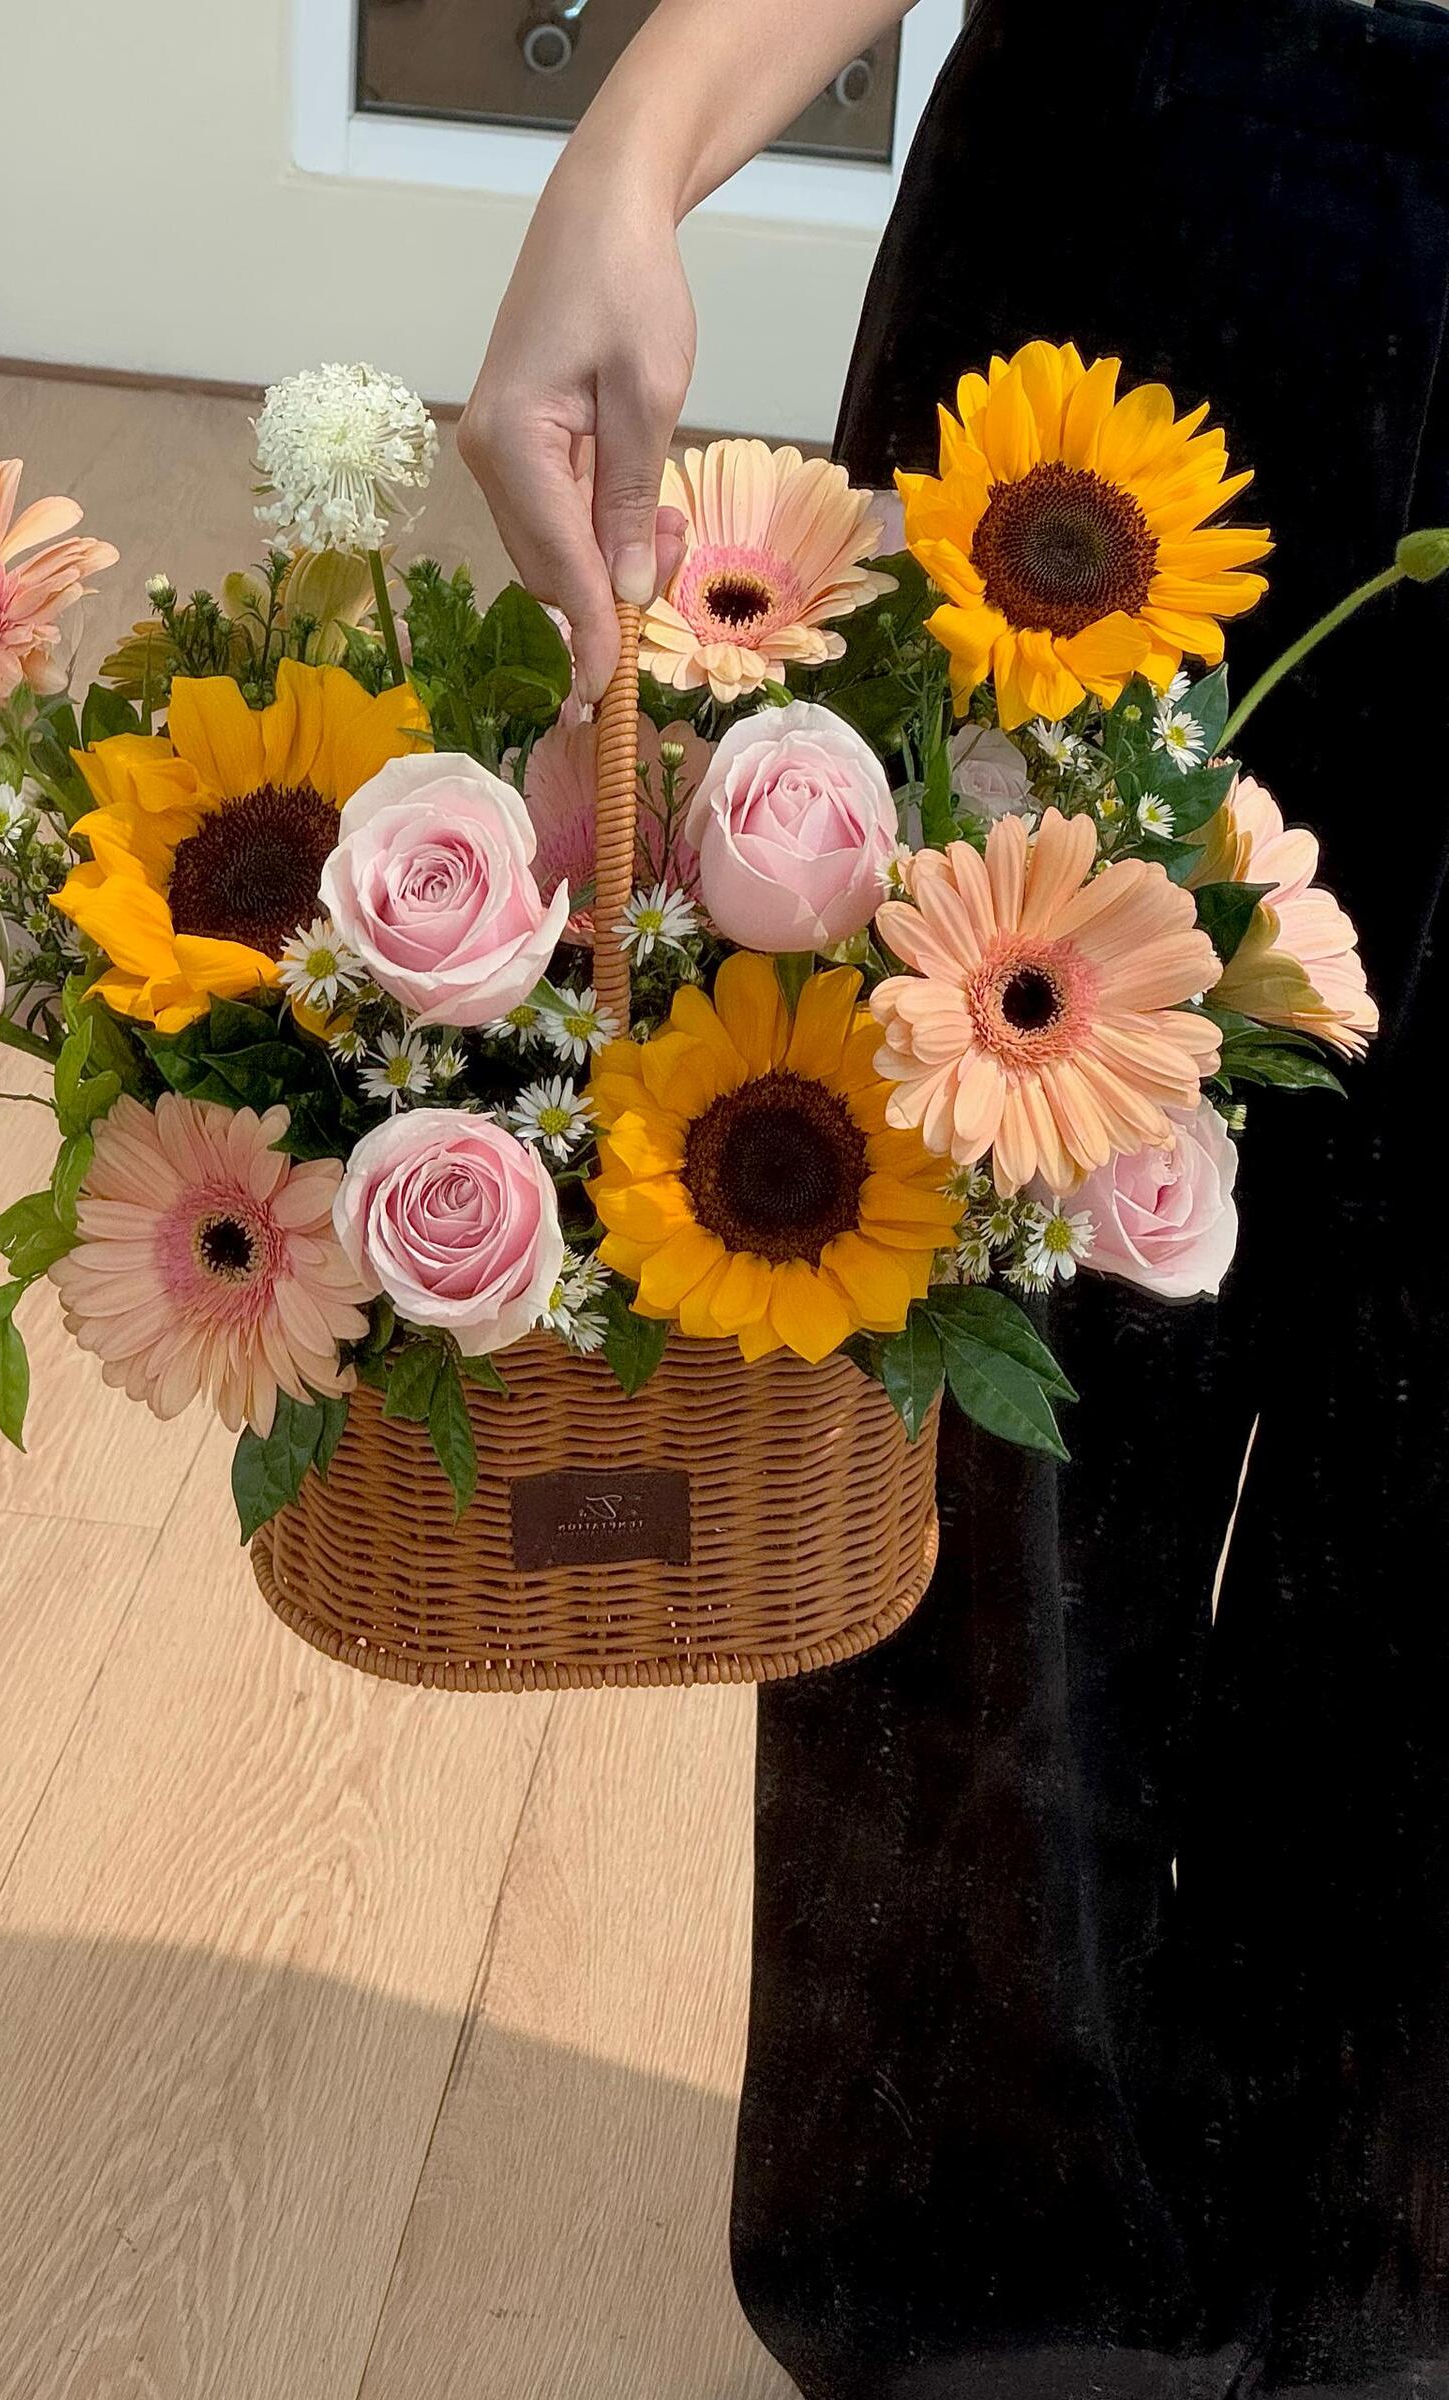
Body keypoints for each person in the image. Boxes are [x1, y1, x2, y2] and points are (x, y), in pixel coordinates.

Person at [461, 3, 1449, 2395]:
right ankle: (999, 2312)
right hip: (1154, 191)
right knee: (1006, 1326)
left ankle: (1381, 2291)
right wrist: (637, 140)